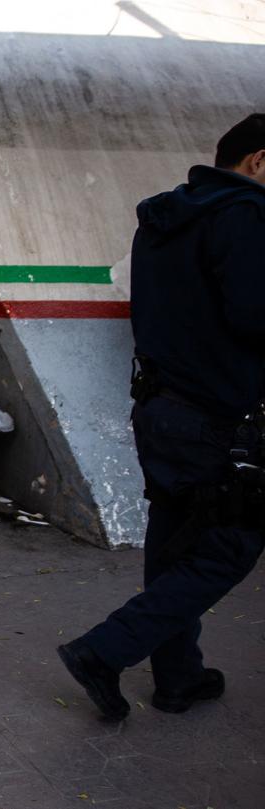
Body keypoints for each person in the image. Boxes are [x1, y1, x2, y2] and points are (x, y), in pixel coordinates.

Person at [59, 114, 265, 720]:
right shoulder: (246, 218)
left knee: (173, 542)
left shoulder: (164, 218)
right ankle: (104, 650)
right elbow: (255, 318)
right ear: (257, 161)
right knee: (233, 545)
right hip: (220, 418)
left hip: (161, 407)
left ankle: (180, 678)